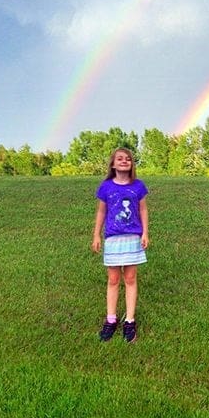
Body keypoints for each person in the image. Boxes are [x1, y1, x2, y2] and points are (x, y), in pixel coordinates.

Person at [91, 147, 149, 343]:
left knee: (131, 278)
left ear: (132, 164)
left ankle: (130, 321)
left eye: (128, 159)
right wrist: (96, 235)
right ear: (113, 164)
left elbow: (143, 210)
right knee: (113, 279)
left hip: (132, 237)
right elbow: (101, 212)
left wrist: (145, 233)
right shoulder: (106, 187)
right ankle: (111, 320)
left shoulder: (138, 186)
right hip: (113, 239)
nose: (124, 161)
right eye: (120, 159)